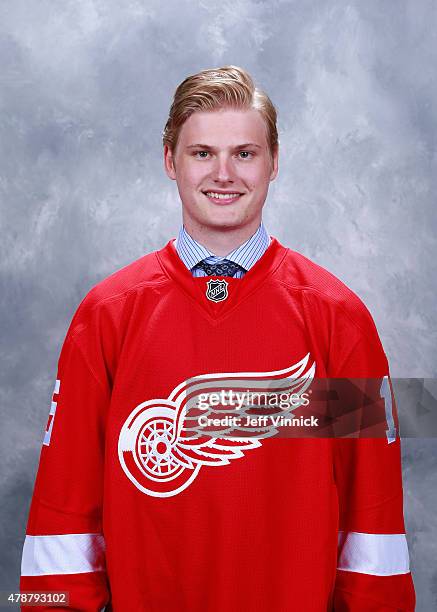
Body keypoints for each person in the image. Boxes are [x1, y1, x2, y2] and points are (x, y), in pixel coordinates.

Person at [20, 66, 416, 611]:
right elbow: (61, 516)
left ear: (274, 162)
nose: (224, 173)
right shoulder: (106, 316)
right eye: (202, 153)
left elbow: (371, 516)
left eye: (245, 154)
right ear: (170, 161)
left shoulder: (339, 319)